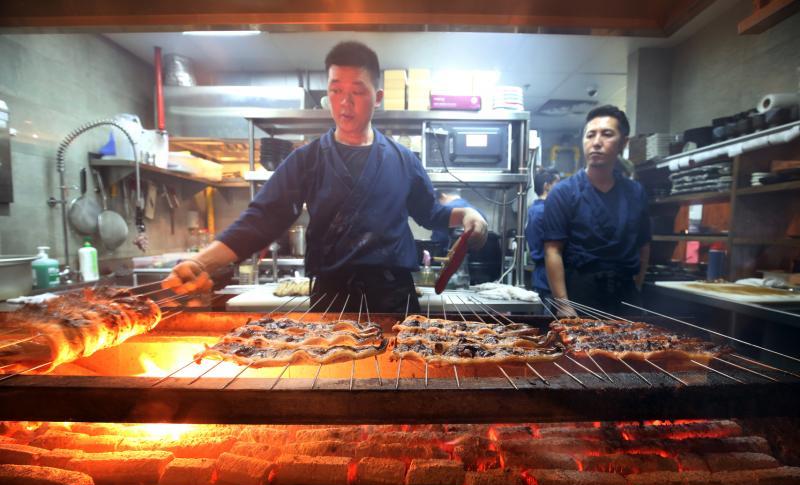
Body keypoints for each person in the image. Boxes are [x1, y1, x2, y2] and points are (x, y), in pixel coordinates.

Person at [162, 41, 488, 313]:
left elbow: (431, 213)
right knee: (329, 387)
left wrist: (468, 213)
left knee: (401, 384)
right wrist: (201, 264)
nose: (345, 103)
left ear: (377, 98)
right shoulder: (307, 160)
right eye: (336, 90)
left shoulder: (404, 160)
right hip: (332, 298)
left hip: (393, 297)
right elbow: (261, 219)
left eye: (357, 91)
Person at [542, 105, 651, 315]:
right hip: (580, 292)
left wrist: (636, 286)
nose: (596, 142)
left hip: (626, 294)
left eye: (607, 134)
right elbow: (552, 250)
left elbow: (643, 245)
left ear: (623, 143)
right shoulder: (564, 192)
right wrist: (563, 303)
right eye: (590, 135)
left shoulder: (635, 192)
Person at [524, 168, 560, 300]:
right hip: (547, 278)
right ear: (547, 186)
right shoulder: (544, 211)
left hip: (543, 277)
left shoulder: (536, 209)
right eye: (557, 184)